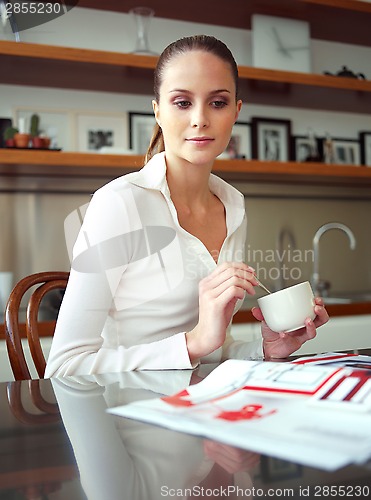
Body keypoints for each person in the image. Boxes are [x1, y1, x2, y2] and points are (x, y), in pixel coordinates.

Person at [45, 35, 328, 378]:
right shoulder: (119, 203)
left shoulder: (233, 206)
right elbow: (64, 367)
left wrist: (267, 350)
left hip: (201, 416)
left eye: (218, 103)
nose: (200, 119)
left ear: (236, 112)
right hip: (127, 419)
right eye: (182, 102)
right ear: (158, 111)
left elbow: (214, 353)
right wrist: (192, 342)